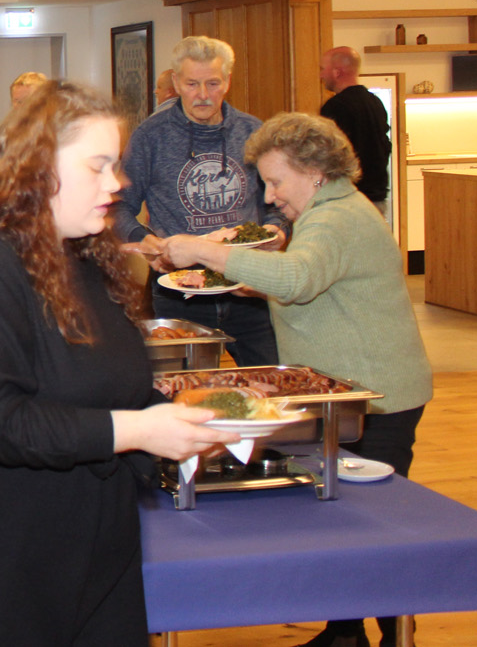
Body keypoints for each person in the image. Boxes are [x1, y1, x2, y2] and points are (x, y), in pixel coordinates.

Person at [0, 81, 234, 647]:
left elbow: (110, 386)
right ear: (38, 167)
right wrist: (140, 431)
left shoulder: (81, 253)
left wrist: (192, 419)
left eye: (116, 165)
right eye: (98, 166)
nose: (117, 183)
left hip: (93, 542)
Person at [163, 112, 432, 647]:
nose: (269, 196)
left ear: (313, 171)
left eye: (275, 181)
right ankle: (347, 632)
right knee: (349, 524)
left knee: (375, 532)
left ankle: (396, 636)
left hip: (378, 398)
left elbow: (298, 278)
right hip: (360, 393)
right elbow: (313, 285)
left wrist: (204, 250)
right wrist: (252, 281)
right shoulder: (331, 211)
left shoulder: (336, 219)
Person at [112, 36, 283, 368]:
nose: (203, 94)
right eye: (192, 84)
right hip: (179, 290)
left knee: (272, 381)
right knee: (187, 389)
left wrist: (278, 229)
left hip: (248, 287)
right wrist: (144, 240)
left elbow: (277, 202)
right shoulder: (150, 137)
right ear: (176, 83)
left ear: (227, 82)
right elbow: (119, 205)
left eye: (213, 83)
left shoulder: (253, 132)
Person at [318, 47, 391, 205]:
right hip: (377, 195)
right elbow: (385, 146)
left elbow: (330, 155)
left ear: (337, 72)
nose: (321, 75)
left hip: (348, 197)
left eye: (323, 69)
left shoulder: (336, 106)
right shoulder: (375, 102)